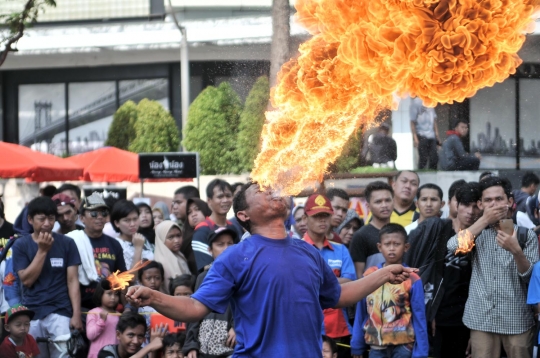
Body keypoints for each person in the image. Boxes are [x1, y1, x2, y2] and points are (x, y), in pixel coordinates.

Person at [126, 182, 414, 357]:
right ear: (243, 215)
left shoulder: (308, 252)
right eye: (259, 190)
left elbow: (337, 295)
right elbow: (194, 307)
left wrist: (384, 274)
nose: (272, 190)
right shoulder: (235, 256)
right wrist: (154, 297)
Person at [447, 176, 538, 358]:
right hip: (481, 320)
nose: (494, 204)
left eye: (499, 199)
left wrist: (516, 252)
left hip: (517, 320)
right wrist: (484, 221)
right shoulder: (476, 233)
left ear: (510, 202)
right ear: (480, 205)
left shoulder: (525, 235)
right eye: (488, 200)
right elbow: (453, 247)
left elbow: (531, 279)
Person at [12, 196, 83, 358]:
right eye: (41, 218)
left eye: (51, 218)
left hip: (60, 312)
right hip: (32, 313)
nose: (47, 223)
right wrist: (42, 251)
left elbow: (72, 281)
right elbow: (27, 280)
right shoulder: (21, 245)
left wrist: (76, 314)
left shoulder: (67, 243)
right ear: (30, 219)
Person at [351, 224, 428, 358]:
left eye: (396, 244)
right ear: (380, 247)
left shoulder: (412, 278)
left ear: (406, 247)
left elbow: (419, 316)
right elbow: (361, 312)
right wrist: (356, 344)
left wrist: (421, 352)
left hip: (403, 346)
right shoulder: (369, 275)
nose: (392, 248)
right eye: (387, 244)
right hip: (376, 345)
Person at [302, 194, 356, 357]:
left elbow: (350, 282)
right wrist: (333, 283)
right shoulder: (296, 249)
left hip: (338, 327)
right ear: (305, 219)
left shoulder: (341, 250)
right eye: (317, 216)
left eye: (325, 215)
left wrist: (315, 282)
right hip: (306, 327)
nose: (322, 220)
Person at [431, 182, 481, 358]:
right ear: (456, 205)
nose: (470, 211)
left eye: (475, 206)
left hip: (471, 314)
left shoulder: (484, 235)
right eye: (466, 205)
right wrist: (430, 312)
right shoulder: (439, 229)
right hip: (441, 311)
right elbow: (430, 274)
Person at [67, 193, 127, 310]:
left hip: (109, 307)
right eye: (94, 213)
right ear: (82, 218)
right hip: (80, 307)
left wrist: (126, 307)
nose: (100, 217)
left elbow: (121, 278)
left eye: (103, 213)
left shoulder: (114, 244)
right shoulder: (72, 241)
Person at [184, 228, 237, 358]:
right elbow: (194, 311)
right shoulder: (203, 277)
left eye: (230, 244)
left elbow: (250, 307)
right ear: (210, 250)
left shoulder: (241, 274)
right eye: (220, 244)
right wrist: (191, 344)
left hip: (229, 350)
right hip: (203, 351)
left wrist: (237, 327)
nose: (226, 248)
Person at [350, 181, 394, 277]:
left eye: (388, 200)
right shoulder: (361, 236)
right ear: (368, 206)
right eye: (378, 202)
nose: (384, 205)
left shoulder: (399, 232)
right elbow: (358, 276)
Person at [192, 180, 237, 271]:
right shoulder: (202, 231)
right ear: (209, 201)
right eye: (220, 197)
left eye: (228, 196)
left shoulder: (233, 227)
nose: (225, 200)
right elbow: (205, 268)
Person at [97, 312, 167, 358]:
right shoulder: (107, 352)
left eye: (140, 336)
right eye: (131, 335)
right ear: (118, 335)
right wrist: (148, 347)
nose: (136, 341)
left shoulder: (143, 354)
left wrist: (153, 350)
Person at [111, 200, 153, 269]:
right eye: (127, 220)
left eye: (135, 219)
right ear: (117, 223)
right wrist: (138, 248)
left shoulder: (142, 238)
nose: (132, 224)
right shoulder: (115, 245)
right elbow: (130, 277)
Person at [86, 280, 121, 358]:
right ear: (100, 294)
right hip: (97, 354)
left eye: (116, 294)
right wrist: (101, 321)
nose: (113, 297)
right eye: (109, 293)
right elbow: (90, 335)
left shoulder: (119, 315)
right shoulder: (93, 313)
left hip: (113, 355)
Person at [154, 221, 191, 293]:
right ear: (162, 240)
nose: (177, 240)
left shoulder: (179, 255)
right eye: (171, 237)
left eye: (178, 235)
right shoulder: (162, 261)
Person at [182, 198, 212, 274]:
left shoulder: (215, 232)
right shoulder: (185, 239)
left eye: (197, 209)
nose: (193, 214)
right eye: (189, 212)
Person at [409, 97, 440, 170]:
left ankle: (433, 174)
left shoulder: (431, 101)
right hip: (421, 134)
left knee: (434, 157)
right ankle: (421, 174)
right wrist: (415, 138)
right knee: (423, 157)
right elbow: (412, 122)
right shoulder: (415, 103)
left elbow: (434, 120)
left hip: (431, 135)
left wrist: (437, 135)